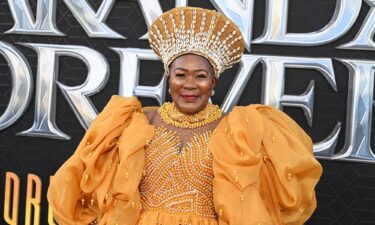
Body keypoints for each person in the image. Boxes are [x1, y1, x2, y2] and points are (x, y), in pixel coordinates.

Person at [48, 6, 322, 225]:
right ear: (169, 78)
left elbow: (255, 204)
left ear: (213, 82)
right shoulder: (135, 121)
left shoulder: (238, 130)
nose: (189, 84)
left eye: (200, 76)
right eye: (181, 75)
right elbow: (91, 181)